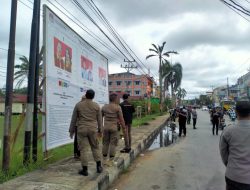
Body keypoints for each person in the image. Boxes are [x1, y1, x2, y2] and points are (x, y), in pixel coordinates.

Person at [69, 89, 103, 176]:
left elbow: (74, 119)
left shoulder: (78, 105)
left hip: (82, 129)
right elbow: (99, 120)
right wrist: (100, 131)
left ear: (86, 95)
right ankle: (99, 166)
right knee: (95, 147)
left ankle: (85, 170)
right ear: (93, 96)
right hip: (92, 130)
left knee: (83, 150)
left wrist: (71, 131)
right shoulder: (96, 106)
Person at [219, 101, 250, 190]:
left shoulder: (228, 130)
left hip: (233, 176)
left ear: (236, 112)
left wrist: (231, 165)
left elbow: (223, 153)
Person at [102, 93, 126, 163]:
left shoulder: (104, 107)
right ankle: (111, 160)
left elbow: (100, 117)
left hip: (106, 127)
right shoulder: (118, 107)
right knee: (113, 143)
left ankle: (104, 159)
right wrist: (124, 127)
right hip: (114, 127)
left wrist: (101, 127)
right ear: (115, 99)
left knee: (105, 143)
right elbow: (121, 119)